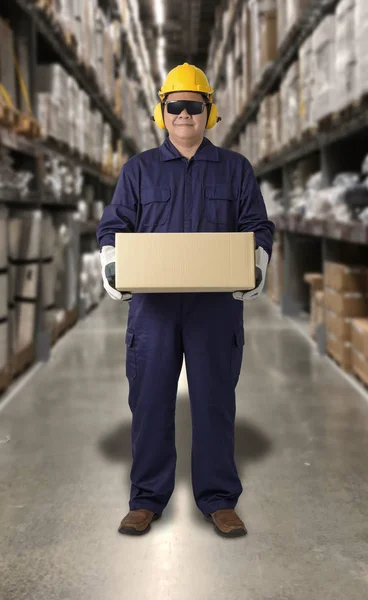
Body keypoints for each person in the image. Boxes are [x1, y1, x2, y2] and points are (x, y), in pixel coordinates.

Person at [97, 63, 275, 538]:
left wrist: (256, 264)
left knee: (214, 399)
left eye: (193, 106)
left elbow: (258, 225)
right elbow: (113, 226)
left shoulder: (235, 169)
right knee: (150, 398)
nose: (183, 115)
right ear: (162, 112)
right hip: (153, 307)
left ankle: (218, 498)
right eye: (174, 106)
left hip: (214, 307)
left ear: (208, 112)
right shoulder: (138, 170)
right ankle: (147, 498)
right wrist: (113, 264)